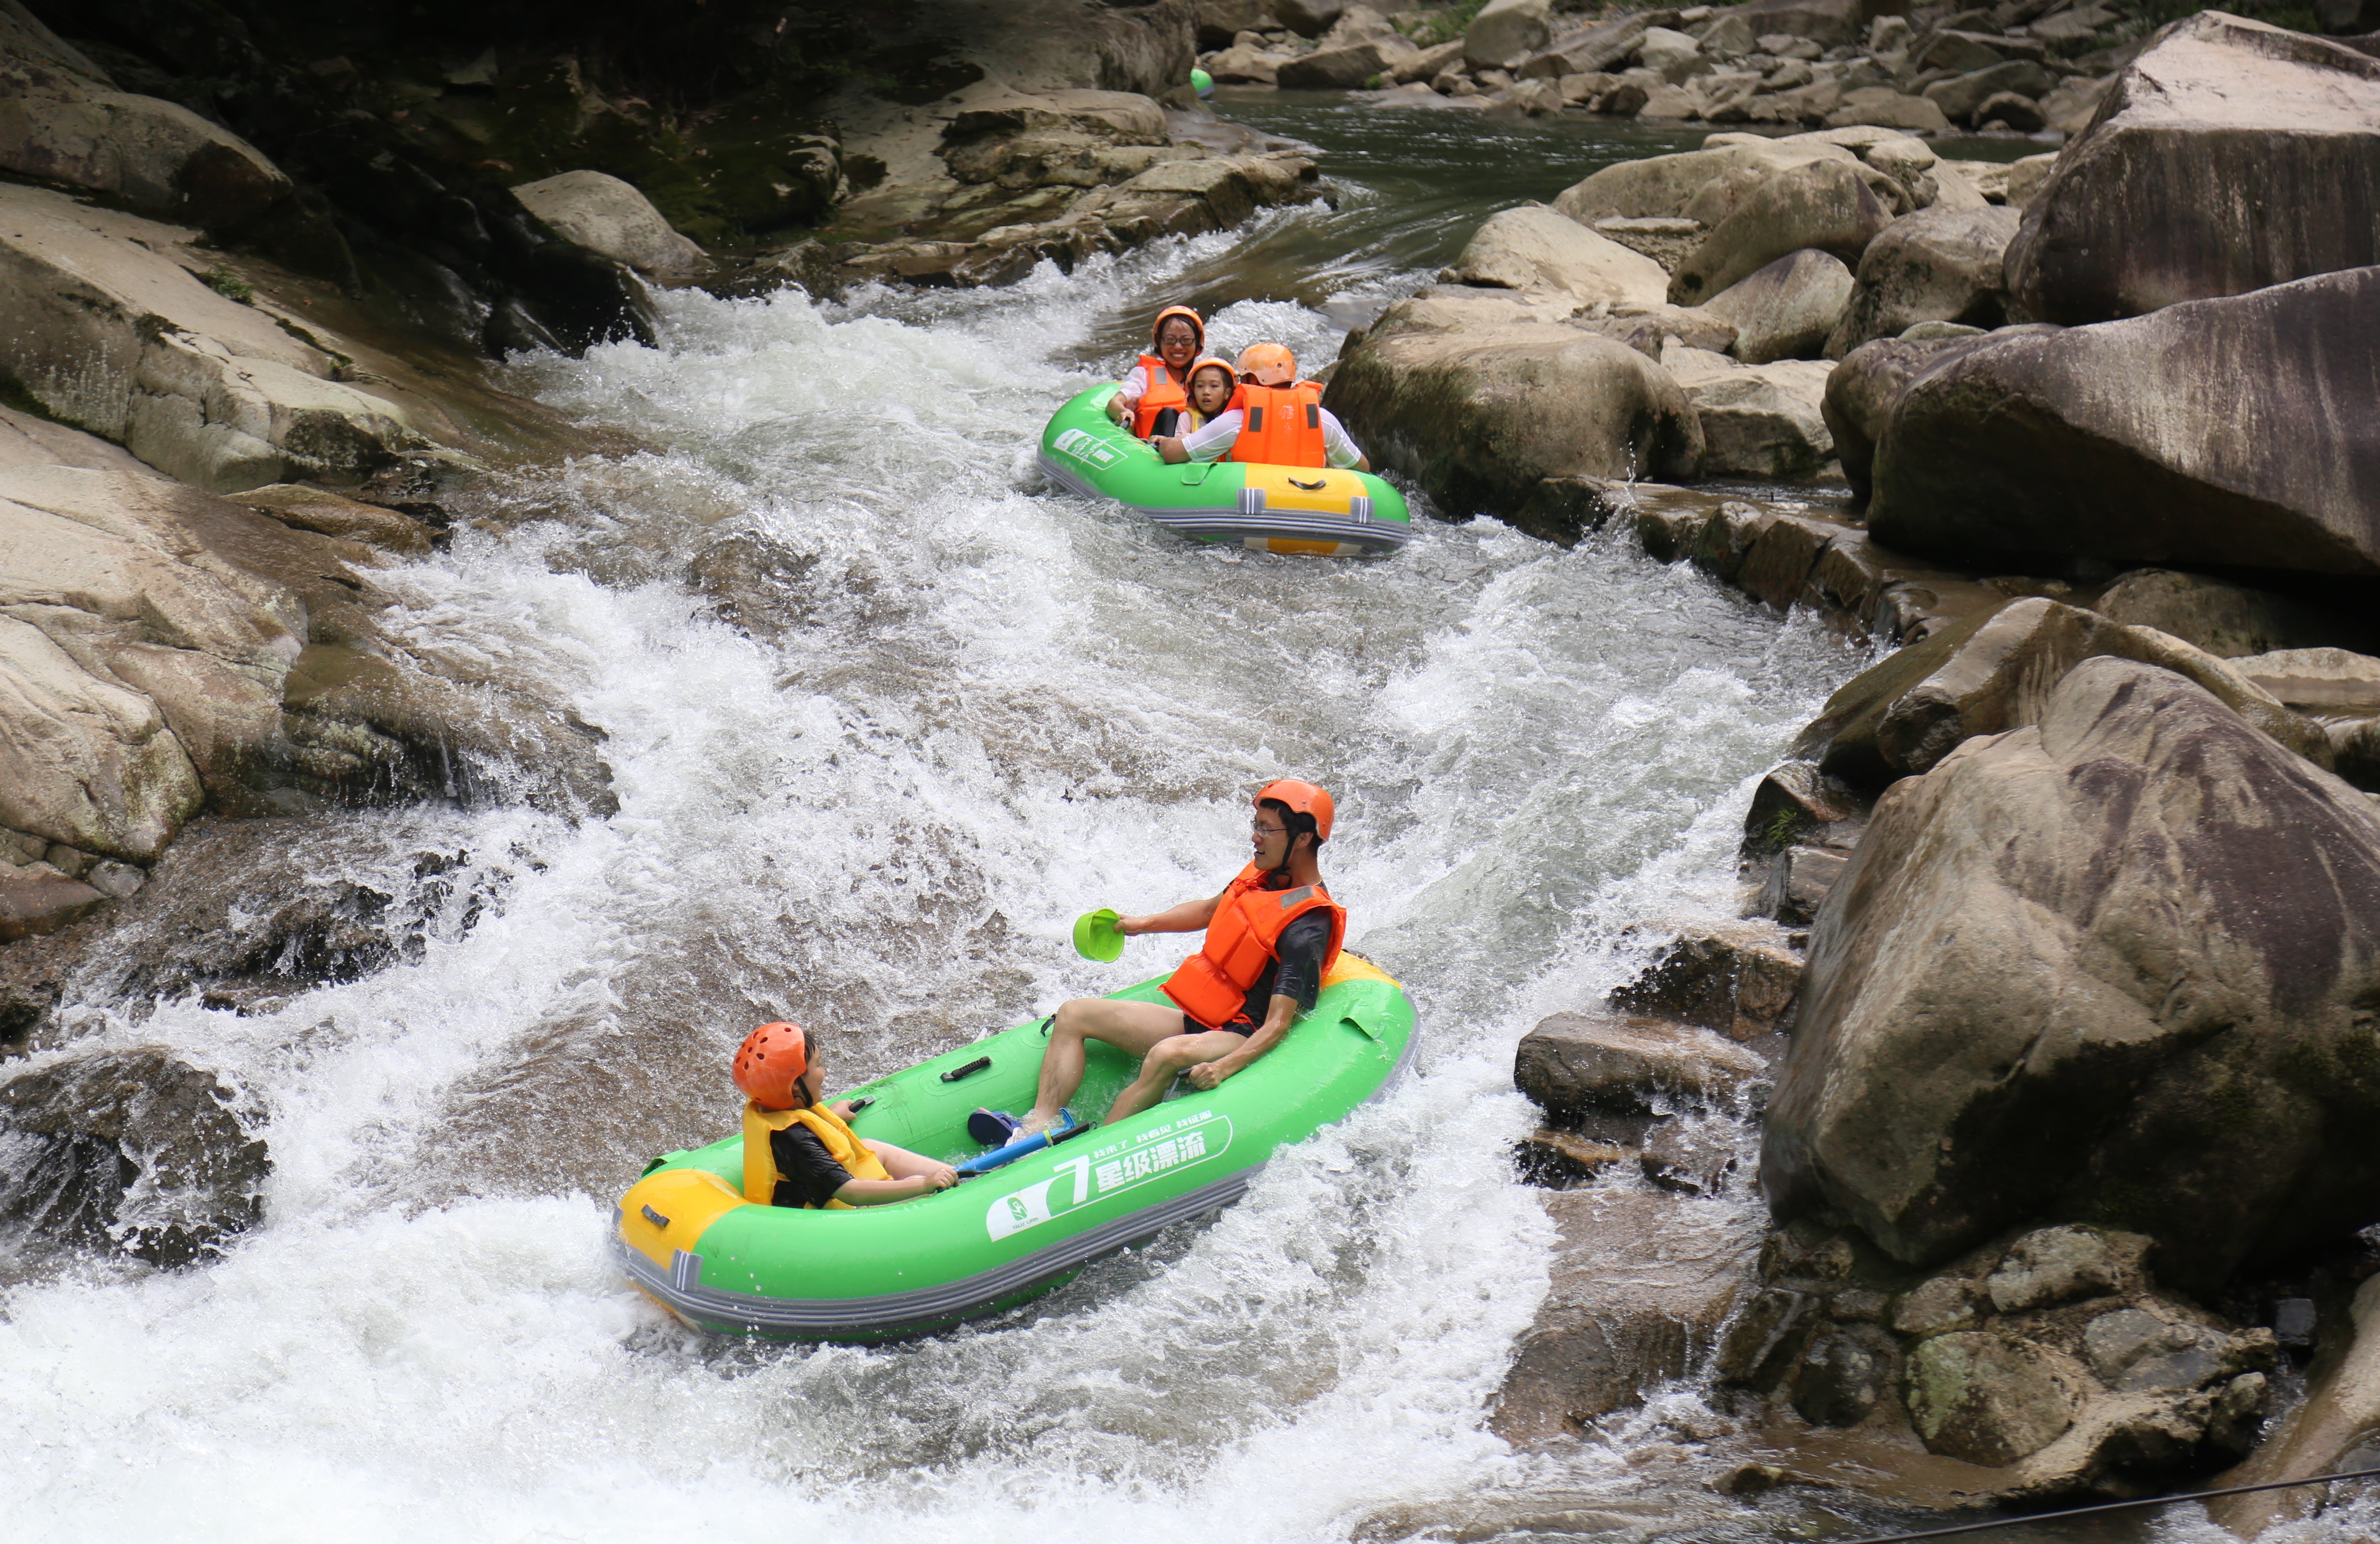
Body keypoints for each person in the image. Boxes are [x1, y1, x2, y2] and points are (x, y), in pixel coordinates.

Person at [1016, 779, 1346, 1136]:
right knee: (1074, 1013)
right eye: (1256, 826)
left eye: (1266, 829)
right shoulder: (1263, 878)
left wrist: (1225, 1067)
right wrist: (1143, 924)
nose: (1255, 837)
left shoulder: (1308, 923)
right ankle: (1035, 1127)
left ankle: (1091, 1152)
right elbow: (1208, 910)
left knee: (1164, 1055)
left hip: (1241, 1032)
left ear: (1302, 839)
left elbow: (1278, 1023)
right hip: (1205, 1018)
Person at [734, 1021, 958, 1208]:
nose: (824, 1072)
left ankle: (954, 1174)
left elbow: (799, 1128)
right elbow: (851, 1192)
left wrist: (832, 1117)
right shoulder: (799, 1144)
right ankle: (953, 1187)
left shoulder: (773, 1106)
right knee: (923, 1186)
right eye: (818, 1065)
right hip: (829, 1218)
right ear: (794, 1086)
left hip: (813, 1188)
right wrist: (923, 1185)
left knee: (872, 1148)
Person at [1154, 343, 1370, 472]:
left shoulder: (1238, 421)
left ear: (1254, 381)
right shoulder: (1323, 419)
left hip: (1248, 509)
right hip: (1310, 507)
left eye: (1243, 378)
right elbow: (1361, 468)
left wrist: (1167, 443)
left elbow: (1173, 455)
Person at [1105, 305, 1206, 437]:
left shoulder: (1207, 377)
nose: (1178, 347)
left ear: (1198, 343)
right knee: (1169, 414)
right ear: (1159, 342)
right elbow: (1115, 403)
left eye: (1186, 340)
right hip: (1155, 450)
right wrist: (1123, 412)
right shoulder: (1144, 375)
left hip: (1199, 450)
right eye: (1169, 340)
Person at [1147, 355, 1239, 439]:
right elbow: (1177, 446)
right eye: (1200, 386)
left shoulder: (1234, 420)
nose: (1206, 392)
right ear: (1193, 391)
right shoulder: (1187, 418)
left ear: (1227, 393)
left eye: (1214, 386)